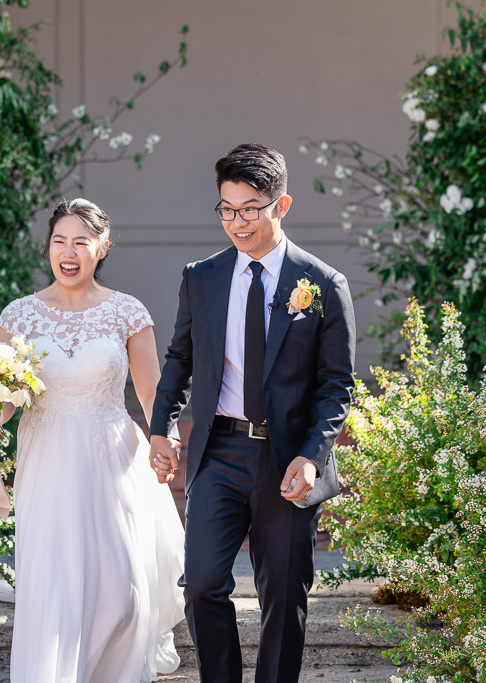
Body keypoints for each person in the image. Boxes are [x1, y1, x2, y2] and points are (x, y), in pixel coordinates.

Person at [149, 143, 356, 683]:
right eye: (227, 208)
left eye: (250, 208)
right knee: (201, 585)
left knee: (283, 596)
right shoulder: (203, 278)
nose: (238, 222)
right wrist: (161, 427)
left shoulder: (324, 285)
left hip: (288, 460)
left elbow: (336, 387)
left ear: (281, 206)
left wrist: (313, 457)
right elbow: (179, 358)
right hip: (218, 453)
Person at [0, 198, 186, 683]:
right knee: (56, 582)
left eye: (82, 241)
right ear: (48, 249)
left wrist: (167, 440)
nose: (69, 251)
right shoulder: (18, 317)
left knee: (121, 591)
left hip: (112, 457)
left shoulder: (126, 311)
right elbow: (1, 401)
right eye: (60, 240)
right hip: (46, 459)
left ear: (102, 248)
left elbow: (152, 393)